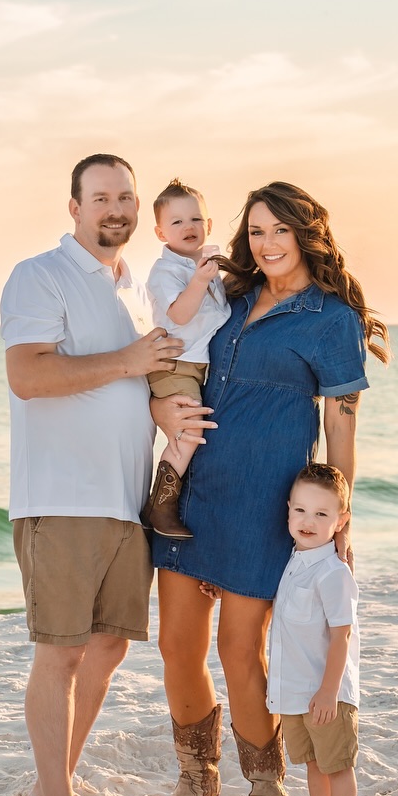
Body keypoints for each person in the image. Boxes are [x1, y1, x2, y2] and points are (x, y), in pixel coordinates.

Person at [144, 181, 390, 796]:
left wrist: (343, 520)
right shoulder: (231, 294)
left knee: (241, 653)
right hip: (193, 494)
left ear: (306, 233)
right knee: (177, 647)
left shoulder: (331, 318)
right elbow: (175, 360)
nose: (267, 243)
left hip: (263, 505)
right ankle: (196, 780)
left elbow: (340, 430)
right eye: (256, 231)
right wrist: (160, 408)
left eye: (280, 230)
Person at [0, 153, 188, 796]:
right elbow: (28, 375)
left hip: (124, 498)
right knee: (63, 652)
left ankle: (58, 777)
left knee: (108, 647)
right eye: (101, 196)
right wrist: (130, 361)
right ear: (73, 207)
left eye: (126, 197)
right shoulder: (39, 276)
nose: (117, 208)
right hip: (62, 495)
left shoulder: (136, 288)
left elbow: (141, 385)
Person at [268, 463, 360, 796]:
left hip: (327, 691)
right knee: (312, 765)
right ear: (288, 509)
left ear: (340, 522)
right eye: (301, 510)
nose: (308, 521)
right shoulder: (292, 560)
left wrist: (328, 691)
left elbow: (342, 636)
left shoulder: (332, 572)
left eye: (322, 514)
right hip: (293, 689)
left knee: (337, 765)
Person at [141, 179, 230, 539]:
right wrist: (198, 281)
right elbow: (179, 314)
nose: (188, 227)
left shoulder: (208, 265)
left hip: (197, 365)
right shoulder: (166, 272)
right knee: (190, 429)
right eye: (176, 222)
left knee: (200, 433)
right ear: (161, 232)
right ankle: (160, 506)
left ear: (208, 225)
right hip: (174, 365)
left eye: (195, 219)